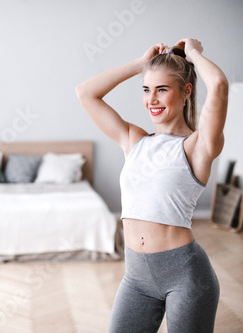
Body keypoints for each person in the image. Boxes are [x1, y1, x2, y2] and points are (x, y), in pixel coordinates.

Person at [76, 38, 228, 333]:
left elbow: (219, 85)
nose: (152, 100)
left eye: (162, 90)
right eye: (146, 90)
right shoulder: (135, 140)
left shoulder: (197, 146)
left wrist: (194, 54)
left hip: (186, 278)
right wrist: (139, 65)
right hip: (135, 278)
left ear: (186, 91)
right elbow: (85, 93)